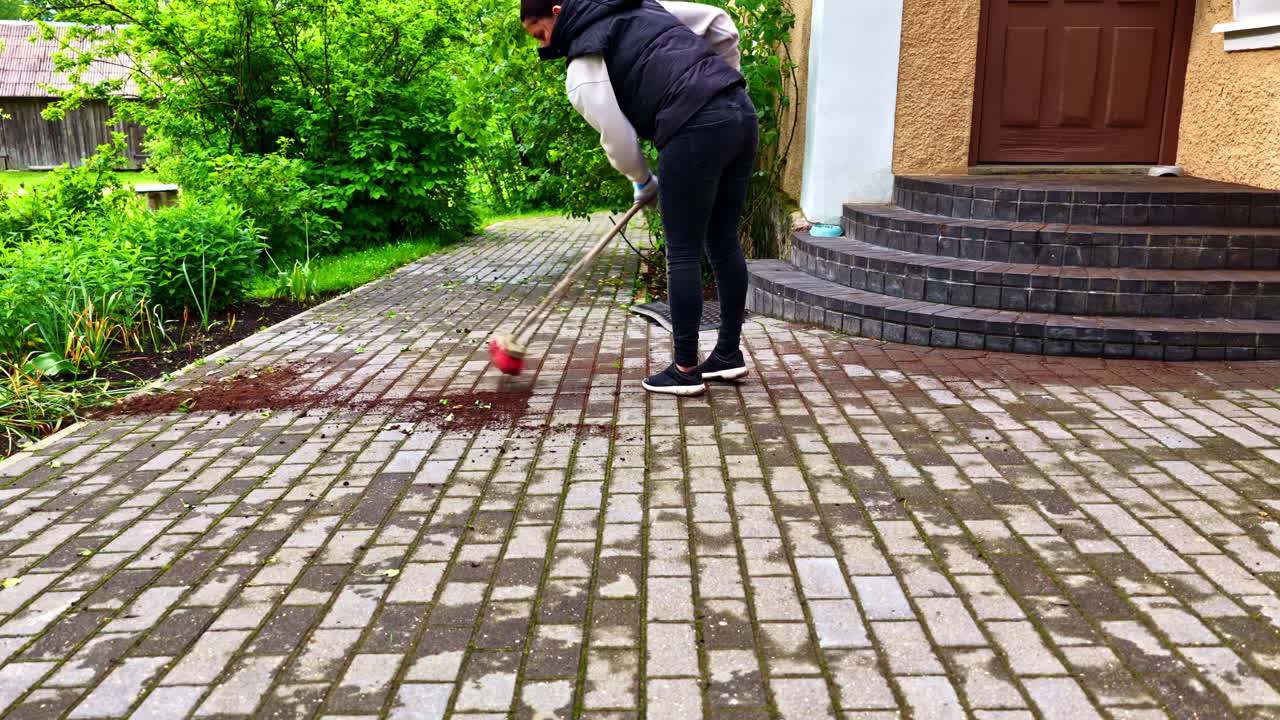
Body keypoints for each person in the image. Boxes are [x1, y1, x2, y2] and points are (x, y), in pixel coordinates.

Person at [521, 0, 758, 396]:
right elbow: (721, 25)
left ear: (558, 11)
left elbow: (617, 138)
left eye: (540, 32)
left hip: (693, 123)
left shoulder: (582, 65)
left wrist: (641, 179)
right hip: (739, 111)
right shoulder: (642, 3)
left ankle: (685, 369)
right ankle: (728, 356)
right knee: (722, 240)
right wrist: (720, 83)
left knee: (681, 250)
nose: (544, 43)